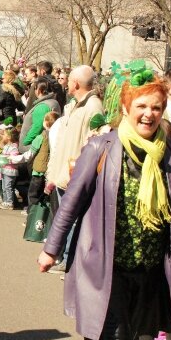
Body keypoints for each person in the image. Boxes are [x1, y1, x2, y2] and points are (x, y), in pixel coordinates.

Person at [37, 75, 171, 340]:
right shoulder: (102, 149)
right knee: (110, 336)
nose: (149, 114)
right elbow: (72, 203)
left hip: (152, 266)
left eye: (156, 107)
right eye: (141, 106)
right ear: (126, 108)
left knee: (126, 337)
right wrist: (52, 248)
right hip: (105, 264)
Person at [44, 65, 105, 272]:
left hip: (76, 174)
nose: (66, 83)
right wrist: (52, 173)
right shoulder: (72, 106)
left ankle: (70, 259)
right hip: (63, 172)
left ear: (76, 83)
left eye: (69, 80)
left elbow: (95, 142)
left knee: (73, 219)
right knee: (63, 216)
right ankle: (63, 256)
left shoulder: (93, 107)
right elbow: (62, 142)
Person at [0, 127, 20, 209]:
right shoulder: (7, 146)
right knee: (4, 187)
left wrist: (6, 159)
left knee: (8, 187)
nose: (2, 136)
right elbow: (1, 146)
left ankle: (9, 203)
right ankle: (5, 202)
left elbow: (14, 158)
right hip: (4, 169)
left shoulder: (14, 147)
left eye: (4, 135)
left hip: (10, 170)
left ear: (9, 137)